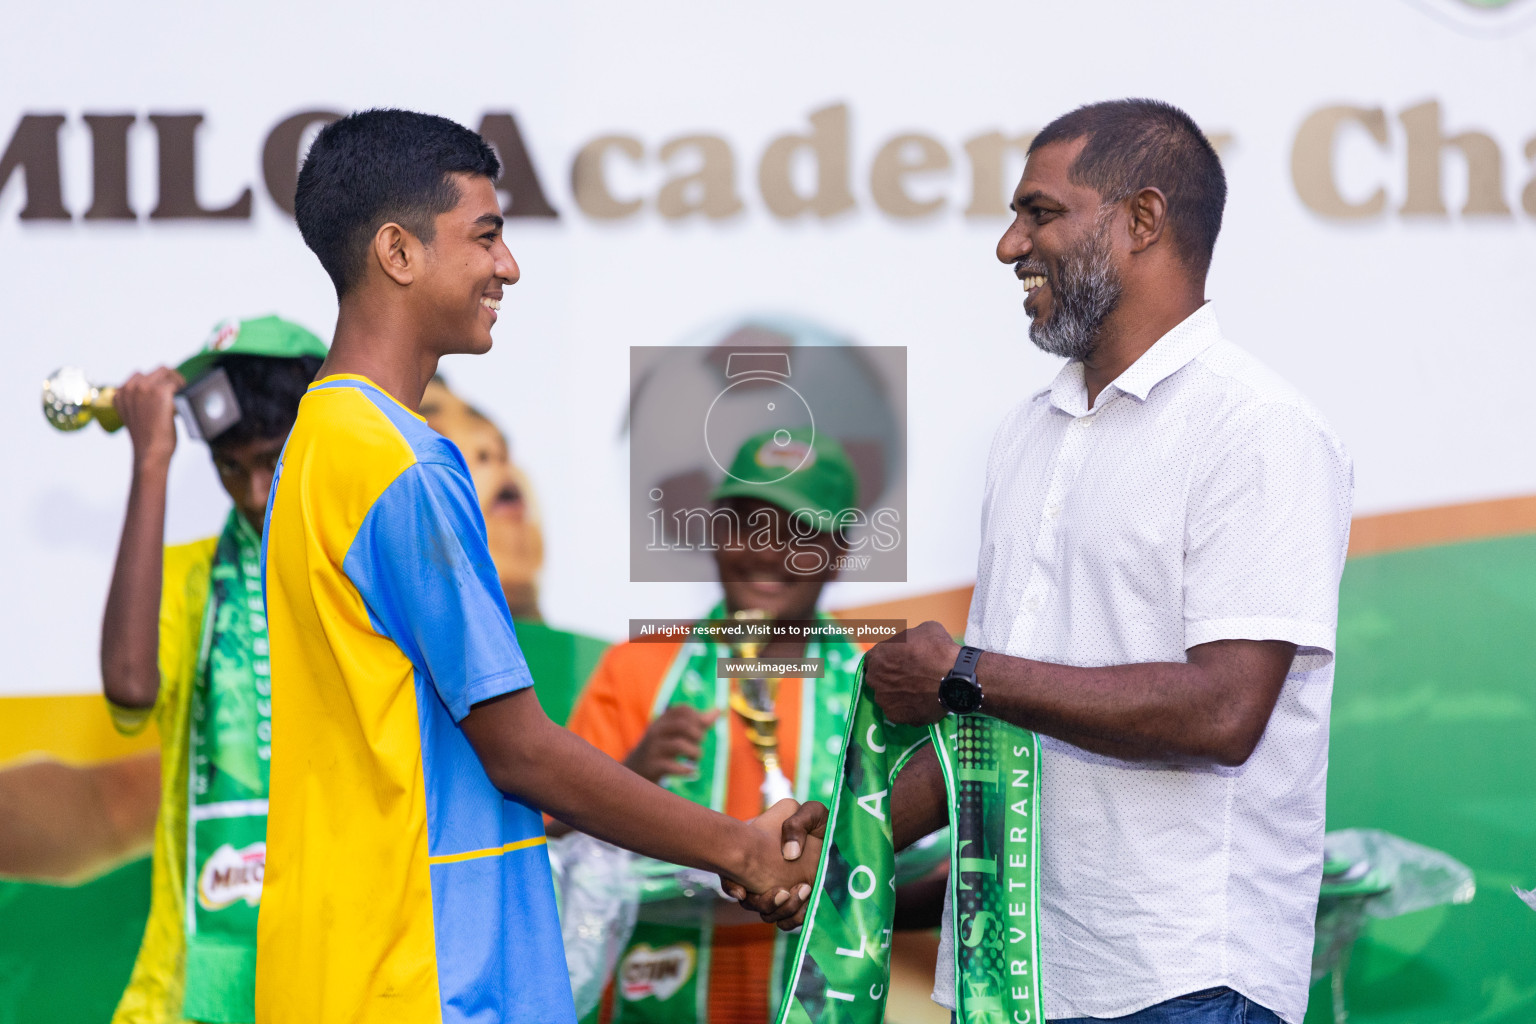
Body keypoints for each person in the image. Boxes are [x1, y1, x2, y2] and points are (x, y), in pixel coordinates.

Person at [762, 99, 1354, 1024]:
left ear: (1141, 220)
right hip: (1012, 981)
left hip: (1180, 983)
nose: (1009, 246)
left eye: (1040, 213)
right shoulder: (1027, 433)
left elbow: (1226, 710)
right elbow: (998, 718)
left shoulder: (1259, 430)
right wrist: (832, 833)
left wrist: (962, 672)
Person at [257, 109, 816, 1024]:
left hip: (342, 964)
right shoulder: (400, 463)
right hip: (427, 971)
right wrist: (737, 848)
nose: (508, 266)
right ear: (397, 252)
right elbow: (518, 751)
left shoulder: (315, 444)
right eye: (486, 236)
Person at [98, 317, 328, 1024]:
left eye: (272, 460)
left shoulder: (362, 571)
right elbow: (132, 689)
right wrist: (152, 464)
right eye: (231, 468)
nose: (255, 492)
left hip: (338, 974)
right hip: (192, 991)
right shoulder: (191, 580)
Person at [420, 376, 606, 726]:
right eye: (439, 439)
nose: (491, 447)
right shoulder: (409, 684)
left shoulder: (622, 669)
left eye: (499, 439)